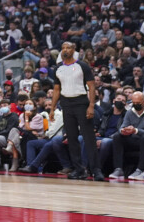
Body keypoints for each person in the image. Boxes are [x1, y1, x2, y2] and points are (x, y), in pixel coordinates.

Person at [49, 42, 104, 181]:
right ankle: (79, 169)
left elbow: (91, 87)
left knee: (88, 138)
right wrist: (52, 108)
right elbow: (56, 89)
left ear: (73, 50)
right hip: (66, 104)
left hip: (81, 103)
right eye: (63, 48)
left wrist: (91, 105)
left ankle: (96, 170)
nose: (65, 50)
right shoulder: (58, 68)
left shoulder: (82, 66)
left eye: (68, 48)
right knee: (71, 138)